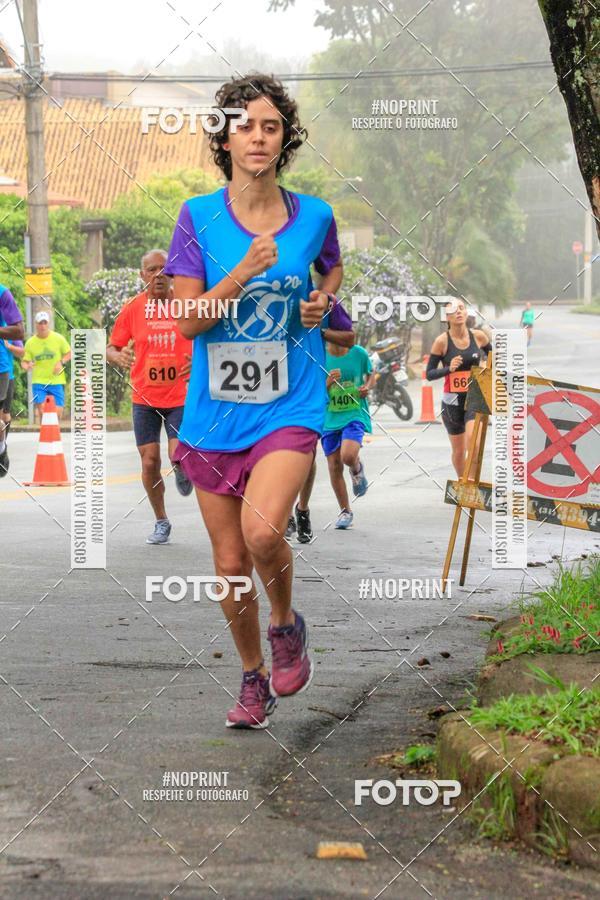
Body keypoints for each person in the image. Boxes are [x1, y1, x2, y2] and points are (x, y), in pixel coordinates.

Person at [166, 73, 343, 729]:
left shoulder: (316, 215)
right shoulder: (198, 217)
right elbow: (186, 321)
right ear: (226, 138)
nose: (259, 137)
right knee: (230, 561)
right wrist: (241, 272)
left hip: (288, 402)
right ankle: (252, 677)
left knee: (265, 530)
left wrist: (321, 301)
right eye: (246, 126)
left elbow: (330, 268)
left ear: (285, 137)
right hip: (214, 413)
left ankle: (285, 624)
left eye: (271, 126)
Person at [107, 249, 193, 545]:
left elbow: (210, 338)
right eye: (151, 270)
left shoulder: (187, 304)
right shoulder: (132, 308)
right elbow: (112, 347)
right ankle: (161, 520)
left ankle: (184, 467)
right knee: (149, 462)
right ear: (142, 275)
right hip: (144, 397)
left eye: (163, 269)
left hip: (180, 395)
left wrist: (202, 360)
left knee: (176, 453)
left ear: (172, 273)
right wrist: (116, 357)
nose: (158, 275)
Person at [285, 300, 355, 543]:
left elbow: (349, 338)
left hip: (309, 389)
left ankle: (301, 510)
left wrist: (320, 331)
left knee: (306, 455)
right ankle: (281, 512)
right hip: (273, 385)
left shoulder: (325, 301)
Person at [426, 298, 492, 477]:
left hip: (474, 397)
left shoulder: (478, 336)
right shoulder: (442, 341)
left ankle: (471, 481)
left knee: (475, 442)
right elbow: (429, 374)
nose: (459, 312)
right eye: (454, 310)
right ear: (446, 317)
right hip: (452, 402)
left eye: (462, 308)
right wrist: (449, 369)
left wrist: (487, 368)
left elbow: (494, 356)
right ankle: (463, 482)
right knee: (459, 451)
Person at [321, 340, 375, 529]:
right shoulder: (320, 354)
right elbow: (312, 389)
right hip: (329, 417)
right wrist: (327, 383)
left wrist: (366, 387)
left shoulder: (358, 353)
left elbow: (371, 375)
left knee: (348, 456)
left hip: (354, 413)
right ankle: (345, 511)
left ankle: (356, 468)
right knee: (334, 466)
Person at [21, 311, 71, 422]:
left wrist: (61, 362)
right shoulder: (30, 342)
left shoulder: (58, 338)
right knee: (43, 411)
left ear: (48, 324)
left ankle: (54, 436)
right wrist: (27, 365)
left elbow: (69, 353)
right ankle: (44, 437)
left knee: (57, 413)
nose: (43, 326)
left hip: (56, 380)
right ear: (36, 325)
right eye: (40, 323)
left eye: (45, 323)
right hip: (39, 381)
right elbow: (24, 362)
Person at [0, 336, 24, 476]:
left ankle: (3, 447)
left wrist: (10, 347)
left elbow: (22, 352)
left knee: (4, 416)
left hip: (6, 377)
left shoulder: (9, 327)